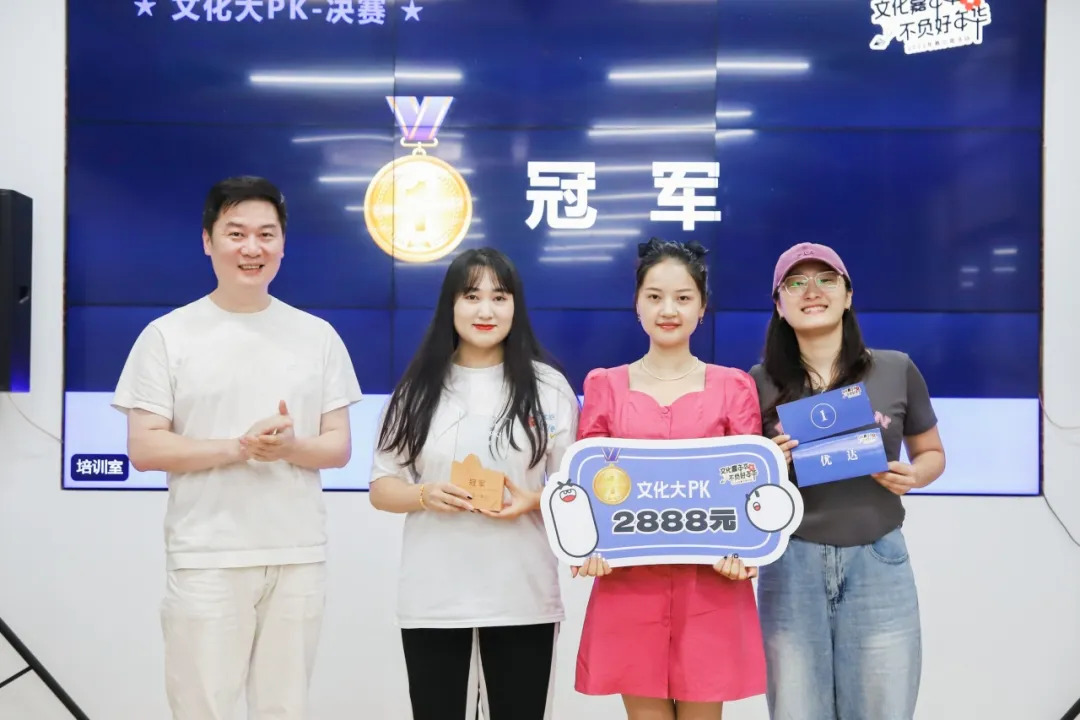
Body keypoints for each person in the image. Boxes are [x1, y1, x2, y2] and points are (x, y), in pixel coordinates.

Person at [111, 176, 363, 720]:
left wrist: (289, 447)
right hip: (207, 555)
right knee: (203, 707)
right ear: (208, 240)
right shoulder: (168, 335)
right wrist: (239, 447)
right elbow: (145, 447)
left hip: (297, 554)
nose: (253, 248)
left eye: (266, 235)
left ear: (283, 244)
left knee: (285, 708)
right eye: (236, 233)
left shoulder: (317, 335)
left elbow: (339, 446)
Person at [368, 247, 580, 720]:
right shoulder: (416, 391)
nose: (486, 311)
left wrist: (532, 501)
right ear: (451, 305)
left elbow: (574, 491)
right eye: (471, 296)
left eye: (499, 297)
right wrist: (424, 494)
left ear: (515, 307)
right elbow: (382, 487)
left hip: (523, 597)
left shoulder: (548, 388)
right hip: (436, 600)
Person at [749, 242, 946, 720]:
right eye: (796, 282)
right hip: (791, 563)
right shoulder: (756, 382)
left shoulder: (896, 368)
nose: (812, 291)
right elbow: (742, 485)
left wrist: (915, 475)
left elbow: (932, 453)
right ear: (779, 304)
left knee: (883, 708)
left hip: (878, 559)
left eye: (826, 279)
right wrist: (767, 463)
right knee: (797, 709)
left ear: (848, 295)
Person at [573, 237, 767, 720]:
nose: (668, 310)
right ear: (637, 304)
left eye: (683, 298)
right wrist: (586, 544)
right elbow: (588, 486)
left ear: (702, 308)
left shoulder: (733, 386)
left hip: (711, 584)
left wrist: (747, 551)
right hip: (629, 583)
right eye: (655, 296)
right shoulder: (604, 385)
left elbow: (750, 488)